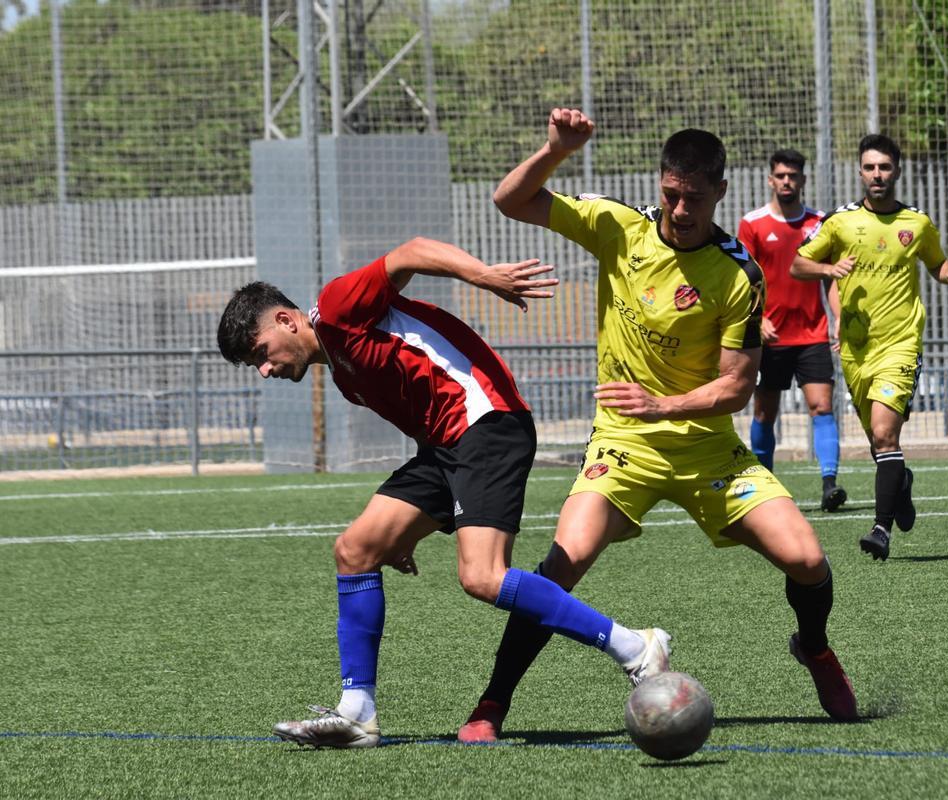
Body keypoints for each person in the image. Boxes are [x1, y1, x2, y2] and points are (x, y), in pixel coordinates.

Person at [457, 108, 857, 744]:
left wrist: (662, 405)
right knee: (560, 564)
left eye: (694, 199)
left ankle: (814, 648)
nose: (680, 210)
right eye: (671, 195)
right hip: (622, 446)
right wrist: (555, 150)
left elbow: (737, 385)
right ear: (661, 185)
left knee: (807, 559)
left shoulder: (737, 273)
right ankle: (492, 703)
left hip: (709, 453)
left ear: (720, 194)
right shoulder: (619, 227)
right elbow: (512, 200)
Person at [216, 236, 671, 749]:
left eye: (261, 354)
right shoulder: (345, 376)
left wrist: (484, 275)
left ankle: (636, 646)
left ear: (284, 321)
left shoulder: (339, 306)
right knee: (356, 551)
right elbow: (425, 419)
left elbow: (410, 252)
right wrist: (411, 527)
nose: (265, 370)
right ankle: (357, 712)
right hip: (445, 446)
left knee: (482, 576)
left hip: (487, 423)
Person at [791, 134, 948, 561]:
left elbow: (937, 263)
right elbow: (798, 264)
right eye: (870, 167)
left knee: (887, 435)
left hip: (901, 344)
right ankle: (900, 483)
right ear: (860, 172)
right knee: (877, 442)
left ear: (897, 171)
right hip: (855, 350)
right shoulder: (839, 222)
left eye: (884, 167)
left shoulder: (918, 223)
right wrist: (827, 267)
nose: (877, 175)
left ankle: (880, 530)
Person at [738, 149, 846, 511]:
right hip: (769, 337)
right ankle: (764, 485)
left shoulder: (819, 223)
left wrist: (838, 317)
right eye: (781, 175)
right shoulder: (752, 223)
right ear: (771, 179)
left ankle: (830, 484)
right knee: (765, 413)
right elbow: (742, 279)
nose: (787, 181)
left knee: (822, 406)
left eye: (793, 176)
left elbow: (831, 277)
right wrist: (758, 318)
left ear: (803, 180)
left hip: (812, 334)